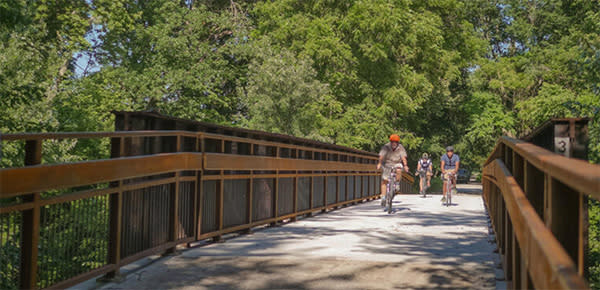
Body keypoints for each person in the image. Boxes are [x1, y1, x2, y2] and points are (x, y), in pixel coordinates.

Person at [376, 134, 409, 206]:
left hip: (397, 162)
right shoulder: (386, 147)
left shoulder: (401, 148)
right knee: (384, 180)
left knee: (399, 169)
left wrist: (405, 166)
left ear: (398, 142)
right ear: (390, 142)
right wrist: (379, 163)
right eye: (392, 142)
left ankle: (397, 183)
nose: (394, 143)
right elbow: (381, 156)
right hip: (387, 163)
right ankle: (383, 197)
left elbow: (403, 157)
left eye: (396, 142)